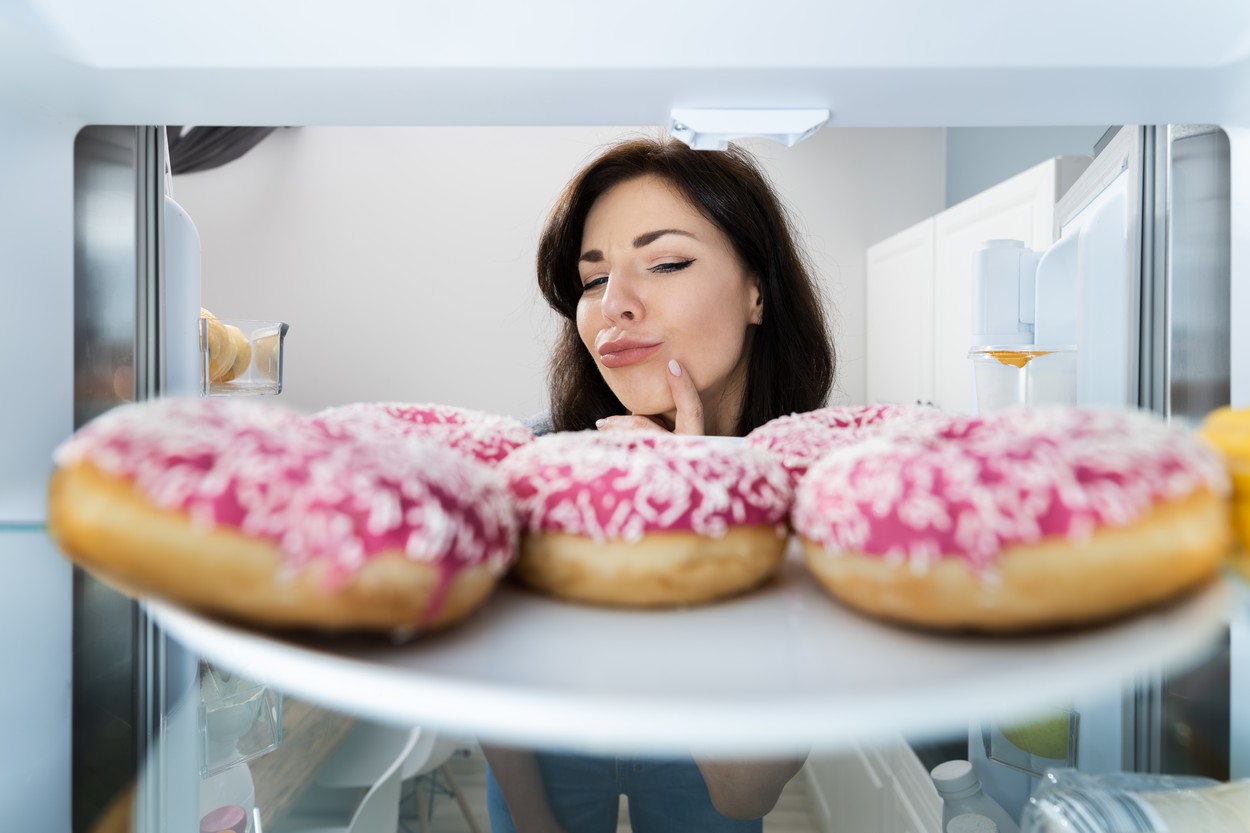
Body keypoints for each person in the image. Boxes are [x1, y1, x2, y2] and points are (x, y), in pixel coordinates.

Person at [484, 134, 836, 833]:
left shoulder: (819, 495)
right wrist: (532, 818)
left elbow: (743, 791)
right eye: (591, 279)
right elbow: (495, 671)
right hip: (550, 736)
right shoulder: (536, 461)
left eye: (667, 261)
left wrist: (693, 514)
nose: (614, 302)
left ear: (758, 291)